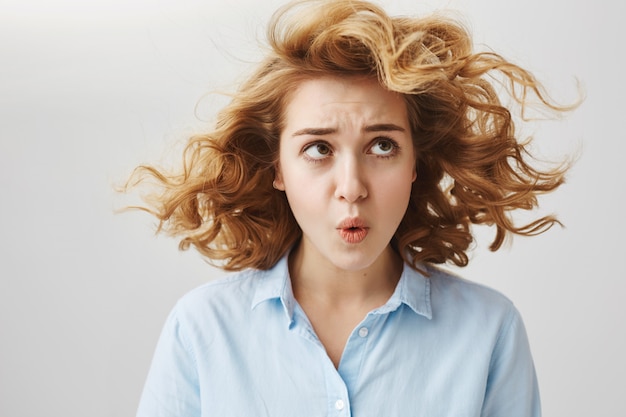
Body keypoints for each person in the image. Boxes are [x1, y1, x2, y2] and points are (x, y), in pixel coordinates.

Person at [128, 1, 576, 416]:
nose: (352, 188)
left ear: (415, 162)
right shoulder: (202, 331)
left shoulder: (489, 332)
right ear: (277, 167)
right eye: (319, 148)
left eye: (382, 146)